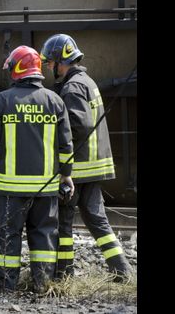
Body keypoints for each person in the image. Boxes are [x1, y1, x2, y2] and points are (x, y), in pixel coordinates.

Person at [0, 46, 74, 293]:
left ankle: (5, 287)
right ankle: (42, 285)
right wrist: (67, 175)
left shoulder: (2, 101)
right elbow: (66, 145)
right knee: (44, 235)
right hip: (46, 189)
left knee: (9, 236)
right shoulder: (55, 101)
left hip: (11, 189)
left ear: (17, 69)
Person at [40, 34, 132, 282]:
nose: (49, 67)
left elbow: (78, 125)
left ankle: (63, 274)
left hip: (79, 166)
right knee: (96, 219)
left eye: (50, 62)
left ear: (61, 60)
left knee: (64, 220)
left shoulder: (72, 87)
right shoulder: (87, 81)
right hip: (94, 163)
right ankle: (121, 269)